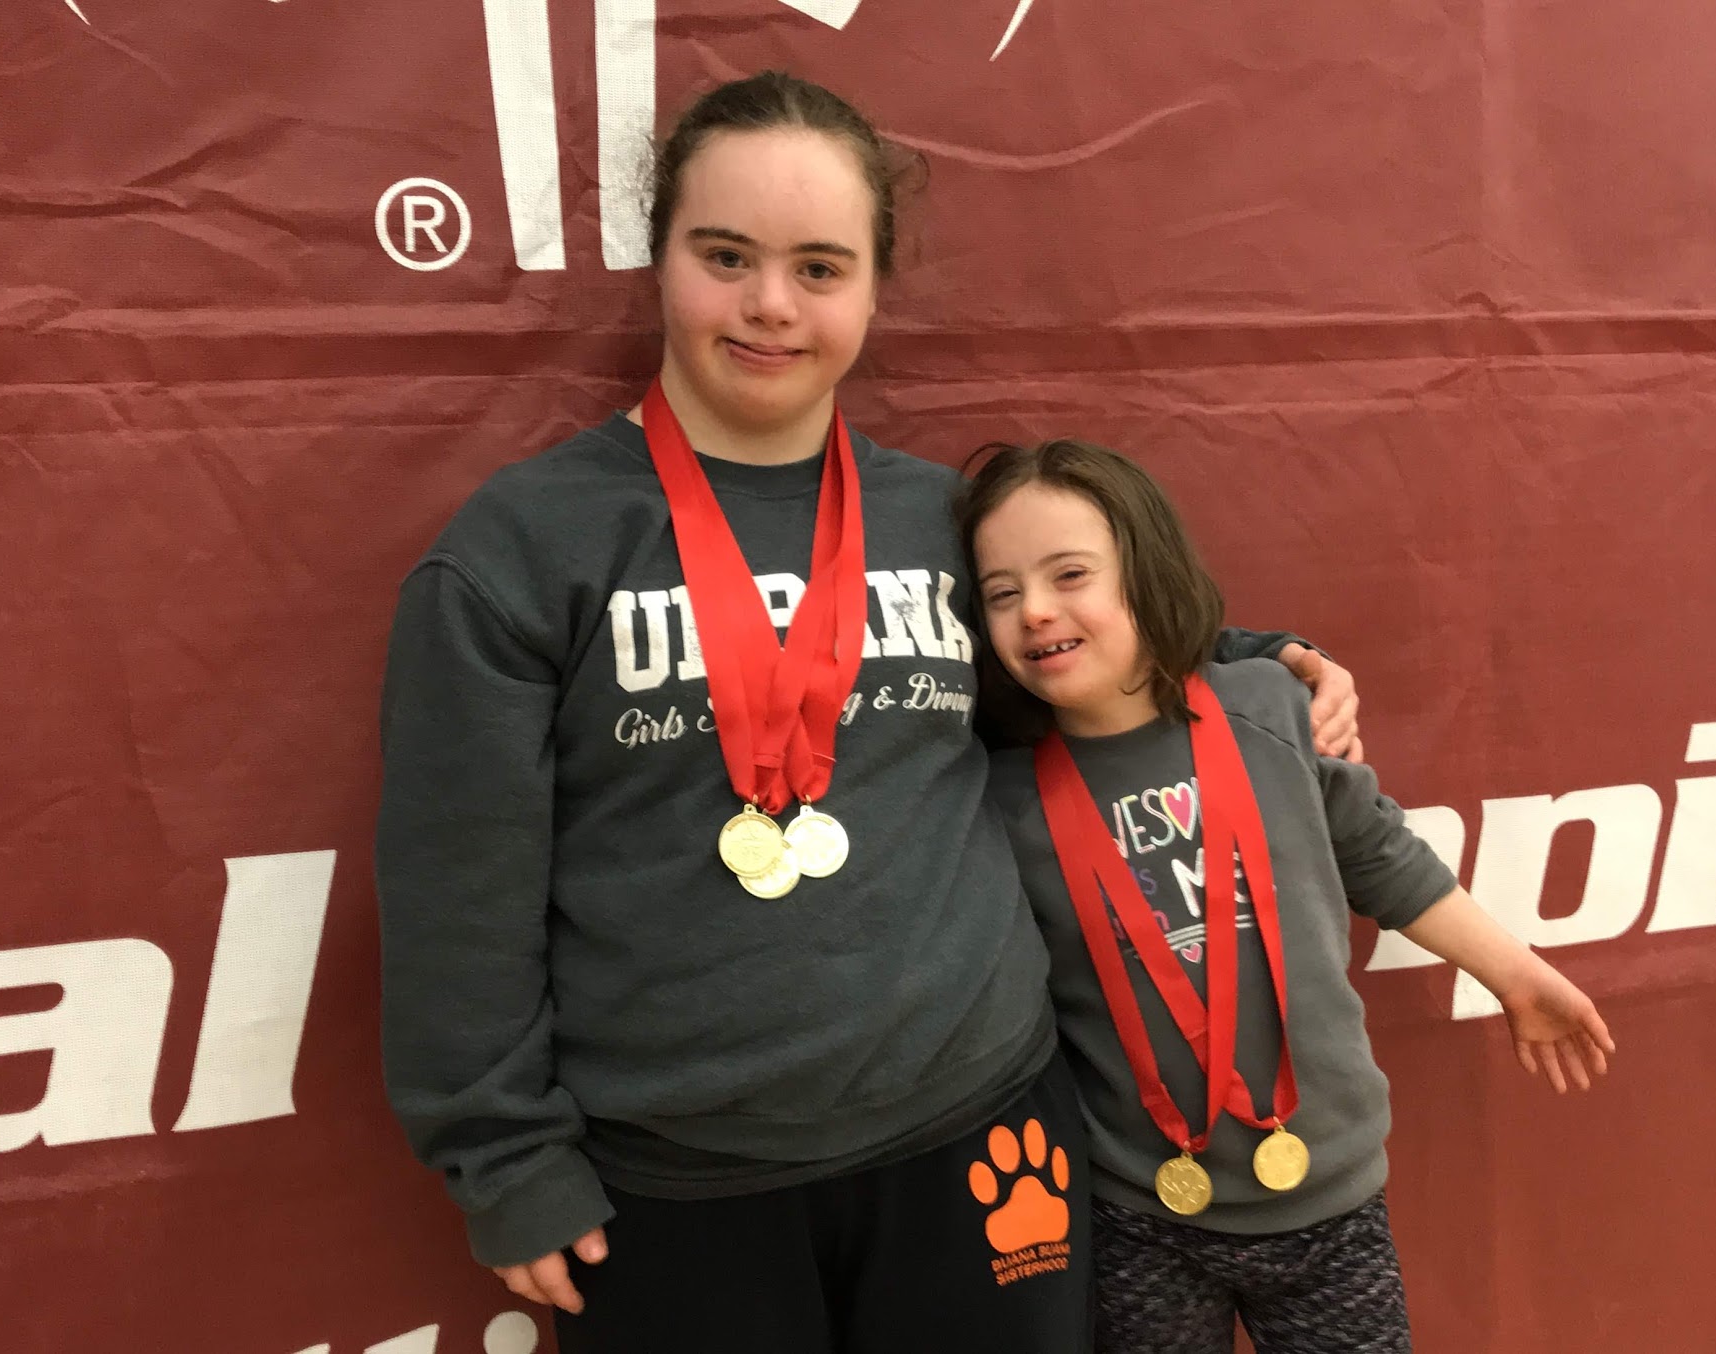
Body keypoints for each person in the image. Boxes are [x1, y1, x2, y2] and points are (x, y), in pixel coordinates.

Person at [375, 73, 1358, 1354]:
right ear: (659, 257)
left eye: (820, 266)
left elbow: (1076, 642)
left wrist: (1256, 655)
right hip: (673, 1185)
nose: (772, 304)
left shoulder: (946, 524)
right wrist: (503, 1160)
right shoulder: (520, 552)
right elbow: (459, 891)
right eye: (725, 256)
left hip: (980, 1129)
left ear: (875, 288)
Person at [962, 438, 1615, 1354]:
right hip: (1139, 1213)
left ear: (1147, 572)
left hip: (1331, 1200)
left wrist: (1516, 973)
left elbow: (1381, 856)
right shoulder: (1001, 795)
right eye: (1001, 593)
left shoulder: (1269, 706)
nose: (1035, 610)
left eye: (1070, 574)